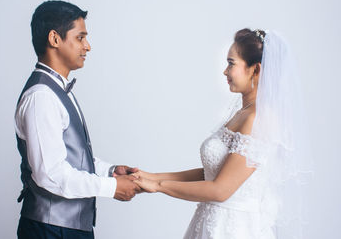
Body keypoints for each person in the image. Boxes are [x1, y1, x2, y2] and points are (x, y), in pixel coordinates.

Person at [134, 29, 312, 238]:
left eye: (231, 63)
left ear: (256, 70)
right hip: (210, 222)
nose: (225, 72)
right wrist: (149, 176)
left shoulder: (259, 119)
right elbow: (212, 173)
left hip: (235, 229)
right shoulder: (243, 112)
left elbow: (221, 189)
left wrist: (158, 186)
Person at [14, 0, 141, 239]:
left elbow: (68, 157)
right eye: (80, 37)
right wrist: (111, 188)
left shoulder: (56, 91)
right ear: (55, 39)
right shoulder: (42, 96)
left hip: (66, 229)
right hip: (50, 230)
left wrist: (110, 171)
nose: (88, 46)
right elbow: (50, 174)